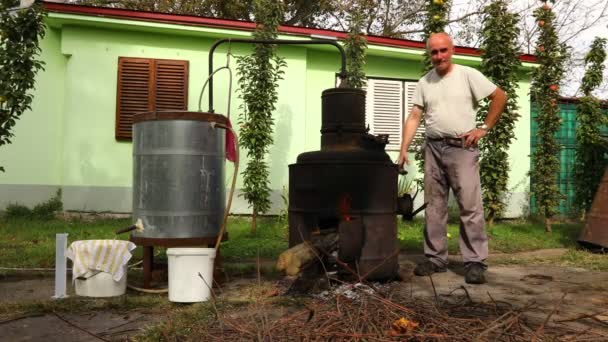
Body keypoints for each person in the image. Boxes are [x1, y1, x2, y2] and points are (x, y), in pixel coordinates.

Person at [397, 32, 507, 284]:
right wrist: (403, 149)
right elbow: (414, 116)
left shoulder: (468, 75)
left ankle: (475, 262)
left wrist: (484, 128)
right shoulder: (425, 82)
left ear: (452, 50)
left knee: (470, 205)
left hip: (462, 148)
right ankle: (436, 258)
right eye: (434, 52)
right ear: (429, 54)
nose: (439, 56)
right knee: (435, 206)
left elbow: (499, 96)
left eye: (443, 50)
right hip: (433, 149)